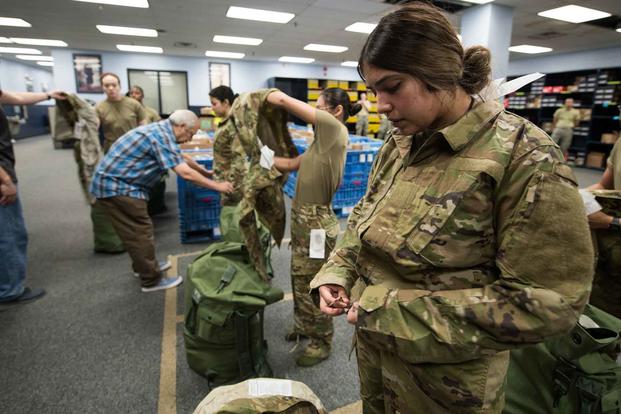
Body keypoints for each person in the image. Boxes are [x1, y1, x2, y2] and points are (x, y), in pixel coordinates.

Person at [309, 3, 594, 412]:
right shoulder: (400, 142)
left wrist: (386, 312)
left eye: (392, 87)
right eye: (374, 91)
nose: (380, 105)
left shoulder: (522, 156)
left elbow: (549, 302)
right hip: (376, 358)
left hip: (446, 386)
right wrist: (337, 271)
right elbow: (363, 217)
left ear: (437, 75)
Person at [267, 88, 362, 367]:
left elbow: (284, 100)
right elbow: (292, 164)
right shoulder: (319, 141)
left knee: (315, 282)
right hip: (302, 220)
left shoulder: (334, 130)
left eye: (320, 107)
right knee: (299, 276)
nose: (315, 111)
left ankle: (321, 341)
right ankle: (304, 325)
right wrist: (260, 158)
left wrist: (264, 96)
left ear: (336, 111)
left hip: (315, 223)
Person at [90, 110, 233, 292]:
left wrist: (206, 172)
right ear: (181, 126)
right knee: (139, 232)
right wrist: (217, 186)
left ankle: (143, 266)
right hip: (118, 188)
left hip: (118, 183)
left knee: (135, 232)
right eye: (191, 133)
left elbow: (181, 156)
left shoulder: (163, 131)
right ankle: (151, 280)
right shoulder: (161, 135)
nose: (190, 139)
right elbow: (184, 173)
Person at [0, 89, 66, 305]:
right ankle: (10, 290)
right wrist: (5, 181)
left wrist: (48, 95)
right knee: (10, 233)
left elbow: (16, 98)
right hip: (2, 179)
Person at [584, 136, 621, 317]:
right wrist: (574, 195)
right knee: (605, 317)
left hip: (612, 228)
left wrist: (609, 222)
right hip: (613, 256)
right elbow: (604, 184)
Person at [209, 85, 246, 208]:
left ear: (226, 102)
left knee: (233, 221)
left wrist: (233, 187)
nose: (212, 108)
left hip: (231, 185)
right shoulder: (225, 122)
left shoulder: (233, 124)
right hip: (224, 180)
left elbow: (239, 158)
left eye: (214, 104)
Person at [96, 72, 147, 152]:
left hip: (132, 146)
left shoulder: (134, 104)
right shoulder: (99, 107)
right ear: (102, 87)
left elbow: (143, 126)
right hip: (112, 148)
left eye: (114, 85)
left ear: (119, 86)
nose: (111, 88)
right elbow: (94, 126)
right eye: (107, 85)